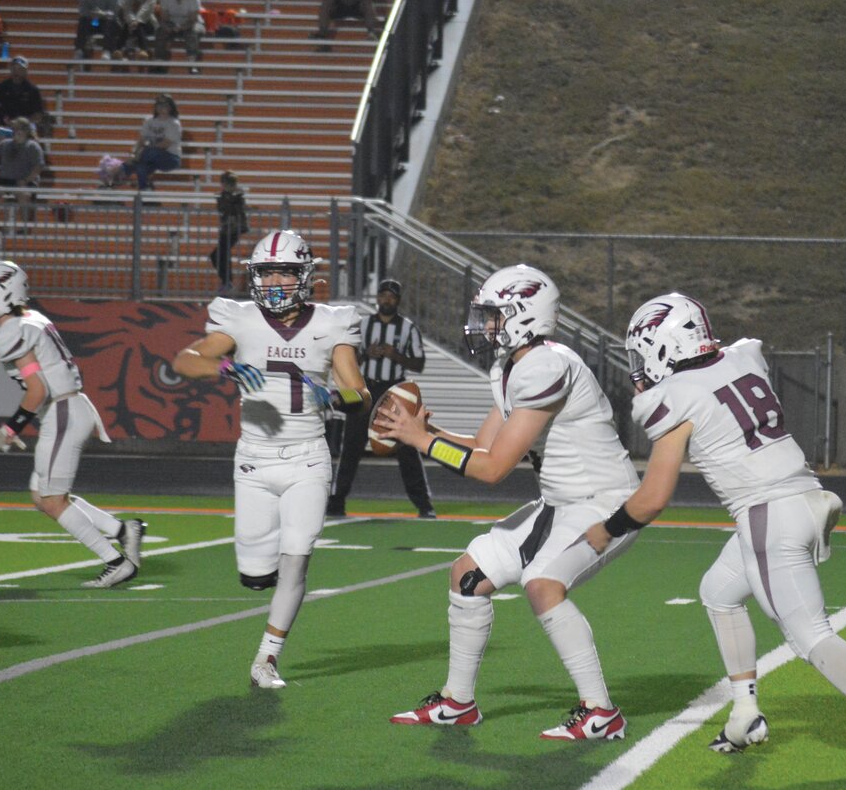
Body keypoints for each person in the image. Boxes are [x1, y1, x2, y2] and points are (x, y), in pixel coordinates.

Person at [577, 293, 846, 767]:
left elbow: (653, 496)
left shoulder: (675, 396)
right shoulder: (743, 358)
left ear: (663, 346)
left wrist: (607, 529)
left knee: (809, 635)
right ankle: (745, 714)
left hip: (769, 512)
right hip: (805, 497)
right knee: (718, 591)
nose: (641, 367)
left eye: (644, 353)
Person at [379, 264, 641, 741]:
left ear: (525, 315)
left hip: (604, 501)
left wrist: (422, 441)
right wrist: (426, 433)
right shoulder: (509, 367)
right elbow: (482, 448)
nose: (484, 326)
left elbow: (494, 469)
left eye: (494, 316)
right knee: (467, 573)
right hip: (560, 501)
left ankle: (602, 712)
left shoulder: (547, 365)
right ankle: (459, 702)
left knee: (542, 583)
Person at [171, 230, 367, 688]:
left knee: (298, 558)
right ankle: (271, 574)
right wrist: (224, 366)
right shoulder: (238, 319)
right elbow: (184, 361)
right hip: (254, 461)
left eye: (285, 272)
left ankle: (267, 658)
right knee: (256, 577)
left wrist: (338, 393)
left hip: (307, 458)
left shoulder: (333, 322)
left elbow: (358, 390)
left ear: (305, 276)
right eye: (267, 272)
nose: (276, 281)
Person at [0, 260, 146, 587]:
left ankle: (116, 561)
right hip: (68, 407)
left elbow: (38, 390)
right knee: (42, 494)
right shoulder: (31, 319)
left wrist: (10, 429)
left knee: (51, 499)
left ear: (4, 294)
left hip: (63, 410)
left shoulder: (13, 332)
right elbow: (40, 382)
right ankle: (123, 530)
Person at [328, 278, 434, 519]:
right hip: (365, 389)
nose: (387, 299)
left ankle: (424, 504)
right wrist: (367, 354)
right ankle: (336, 502)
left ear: (398, 300)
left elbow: (419, 364)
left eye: (391, 296)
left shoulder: (407, 328)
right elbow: (349, 362)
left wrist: (396, 355)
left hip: (394, 392)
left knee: (407, 448)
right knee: (351, 447)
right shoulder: (363, 326)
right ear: (378, 298)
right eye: (383, 295)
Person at [0, 117, 45, 226]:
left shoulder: (33, 146)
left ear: (25, 131)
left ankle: (25, 227)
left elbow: (39, 166)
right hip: (5, 180)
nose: (16, 131)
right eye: (14, 129)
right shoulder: (6, 143)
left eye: (18, 128)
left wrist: (26, 180)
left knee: (24, 196)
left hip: (24, 181)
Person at [113, 93, 181, 189]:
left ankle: (123, 170)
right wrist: (133, 153)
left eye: (165, 105)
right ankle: (144, 189)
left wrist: (136, 156)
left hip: (170, 158)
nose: (161, 108)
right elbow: (141, 140)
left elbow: (165, 144)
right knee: (141, 167)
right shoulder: (149, 121)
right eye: (159, 105)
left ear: (170, 107)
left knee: (150, 152)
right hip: (149, 157)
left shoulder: (174, 123)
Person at [210, 170, 249, 290]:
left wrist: (231, 197)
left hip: (234, 229)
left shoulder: (238, 196)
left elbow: (236, 210)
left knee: (221, 254)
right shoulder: (223, 196)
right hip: (226, 229)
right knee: (219, 255)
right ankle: (226, 281)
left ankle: (227, 281)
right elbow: (223, 209)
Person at [155, 0, 203, 72]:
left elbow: (193, 18)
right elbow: (164, 17)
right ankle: (160, 60)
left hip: (190, 22)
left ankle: (192, 61)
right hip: (171, 22)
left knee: (192, 33)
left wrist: (182, 27)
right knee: (161, 31)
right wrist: (169, 27)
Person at [0, 56, 47, 137]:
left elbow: (38, 114)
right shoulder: (1, 87)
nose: (16, 72)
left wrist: (22, 123)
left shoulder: (32, 90)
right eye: (14, 68)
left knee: (34, 139)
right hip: (4, 125)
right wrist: (5, 121)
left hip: (26, 126)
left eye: (20, 69)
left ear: (25, 71)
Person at [117, 0, 160, 64]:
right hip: (128, 20)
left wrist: (137, 20)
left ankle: (119, 48)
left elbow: (148, 7)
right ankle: (144, 50)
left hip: (147, 21)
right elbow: (126, 8)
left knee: (138, 26)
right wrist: (132, 20)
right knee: (131, 26)